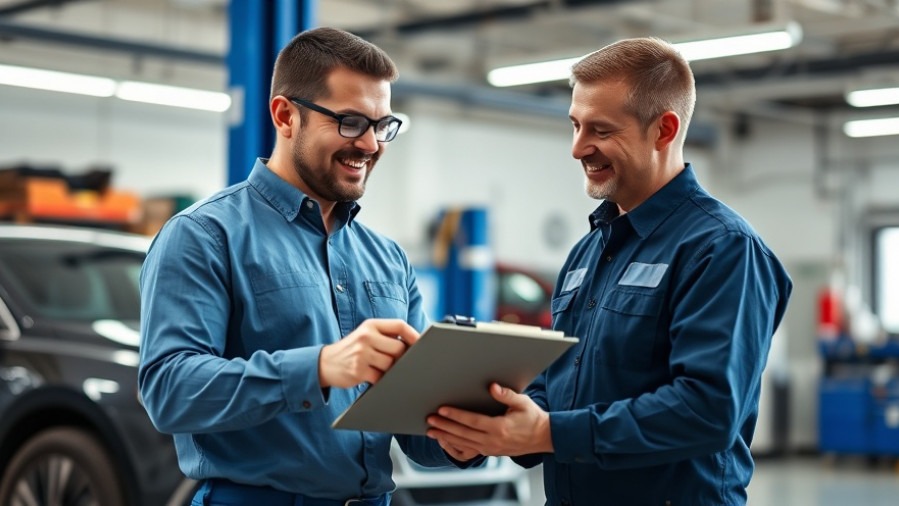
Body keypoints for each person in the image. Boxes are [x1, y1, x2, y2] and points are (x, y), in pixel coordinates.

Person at [426, 37, 793, 505]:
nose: (578, 148)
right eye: (575, 126)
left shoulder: (722, 249)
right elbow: (557, 384)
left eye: (599, 130)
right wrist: (490, 428)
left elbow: (707, 410)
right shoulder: (587, 253)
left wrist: (551, 433)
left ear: (663, 130)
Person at [138, 27, 475, 506]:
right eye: (352, 121)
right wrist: (318, 367)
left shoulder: (388, 257)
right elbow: (170, 391)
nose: (372, 144)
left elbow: (417, 434)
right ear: (286, 115)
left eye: (383, 126)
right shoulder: (204, 236)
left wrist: (462, 436)